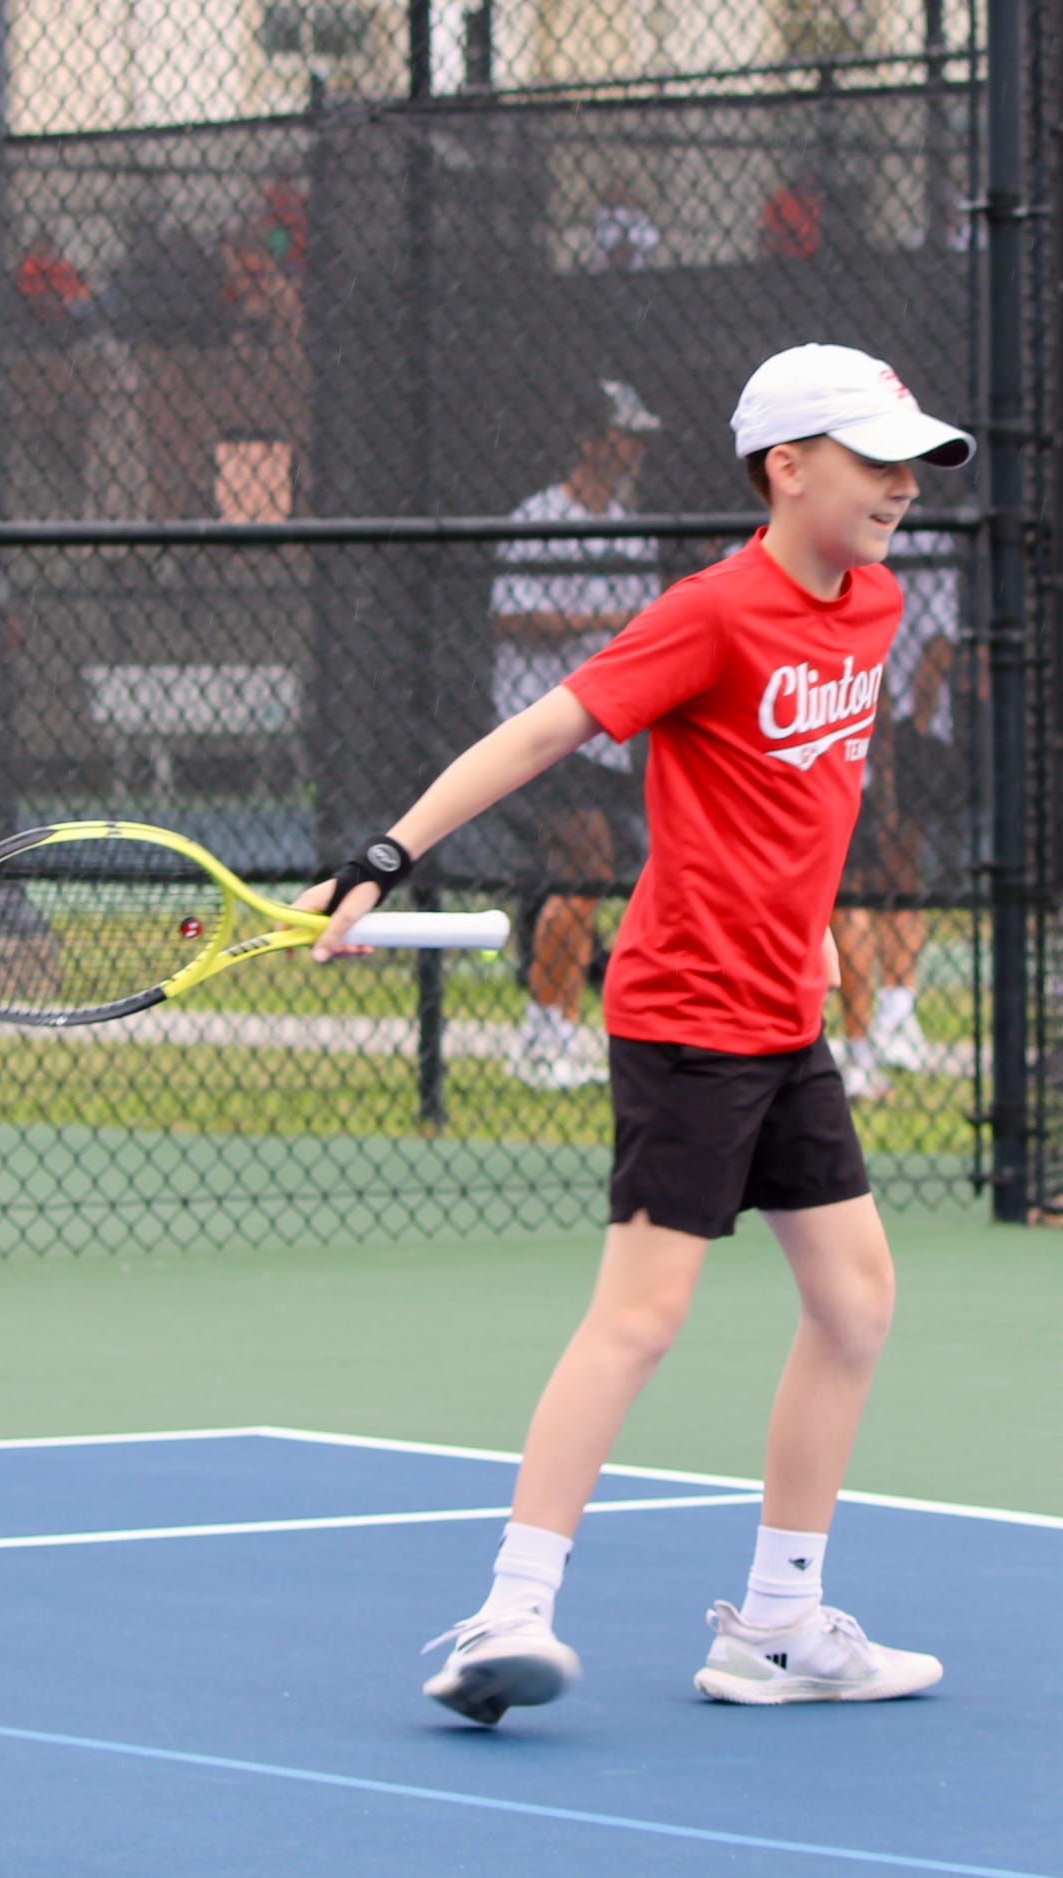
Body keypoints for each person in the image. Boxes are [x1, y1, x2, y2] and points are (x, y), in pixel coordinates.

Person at [300, 343, 972, 1723]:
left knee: (854, 1302)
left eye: (913, 463)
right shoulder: (708, 613)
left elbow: (809, 797)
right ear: (786, 468)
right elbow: (538, 734)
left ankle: (777, 1626)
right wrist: (383, 855)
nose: (903, 486)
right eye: (873, 459)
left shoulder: (877, 602)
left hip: (782, 1016)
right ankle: (507, 1613)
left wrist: (810, 942)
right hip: (686, 1014)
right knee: (642, 1315)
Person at [491, 379, 663, 1088]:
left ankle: (551, 1032)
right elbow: (511, 617)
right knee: (587, 863)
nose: (636, 448)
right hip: (540, 727)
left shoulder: (631, 529)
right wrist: (603, 624)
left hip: (605, 735)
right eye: (624, 434)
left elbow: (648, 628)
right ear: (589, 440)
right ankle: (543, 1035)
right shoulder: (537, 518)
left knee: (582, 877)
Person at [831, 527, 963, 1095]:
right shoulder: (832, 545)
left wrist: (908, 738)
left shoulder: (930, 541)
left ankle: (893, 1017)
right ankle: (860, 1040)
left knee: (891, 874)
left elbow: (937, 648)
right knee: (850, 893)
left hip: (905, 737)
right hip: (848, 746)